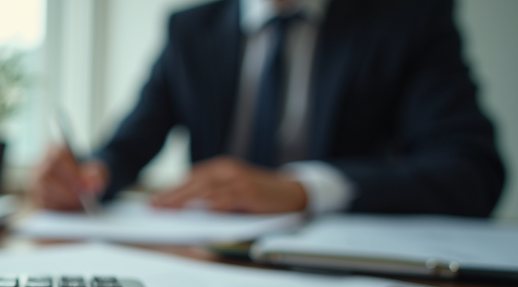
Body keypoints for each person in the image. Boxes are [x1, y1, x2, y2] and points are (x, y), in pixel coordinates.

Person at [30, 0, 505, 217]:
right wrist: (89, 178)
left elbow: (472, 172)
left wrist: (303, 189)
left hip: (347, 275)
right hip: (207, 263)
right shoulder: (190, 30)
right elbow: (128, 147)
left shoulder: (407, 18)